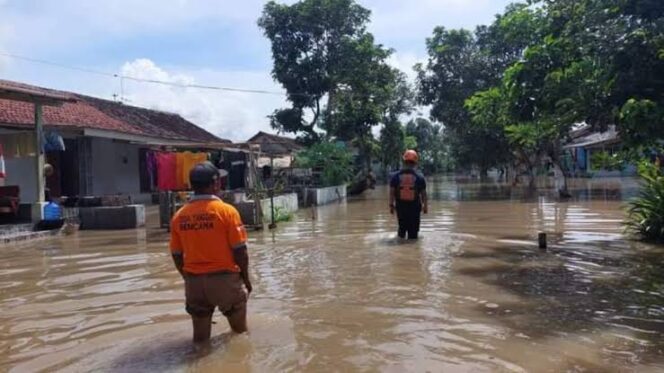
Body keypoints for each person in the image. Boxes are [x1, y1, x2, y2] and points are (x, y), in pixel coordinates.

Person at [169, 161, 252, 343]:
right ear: (215, 184)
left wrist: (188, 278)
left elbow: (176, 254)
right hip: (225, 281)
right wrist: (246, 279)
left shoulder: (179, 216)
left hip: (194, 283)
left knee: (200, 341)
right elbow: (240, 251)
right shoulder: (227, 212)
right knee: (240, 335)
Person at [389, 150, 428, 240]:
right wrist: (425, 206)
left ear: (403, 161)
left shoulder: (395, 176)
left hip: (401, 207)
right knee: (413, 235)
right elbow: (424, 195)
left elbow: (391, 193)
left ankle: (400, 247)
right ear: (415, 163)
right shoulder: (420, 177)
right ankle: (413, 250)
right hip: (414, 208)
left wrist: (391, 205)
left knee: (401, 231)